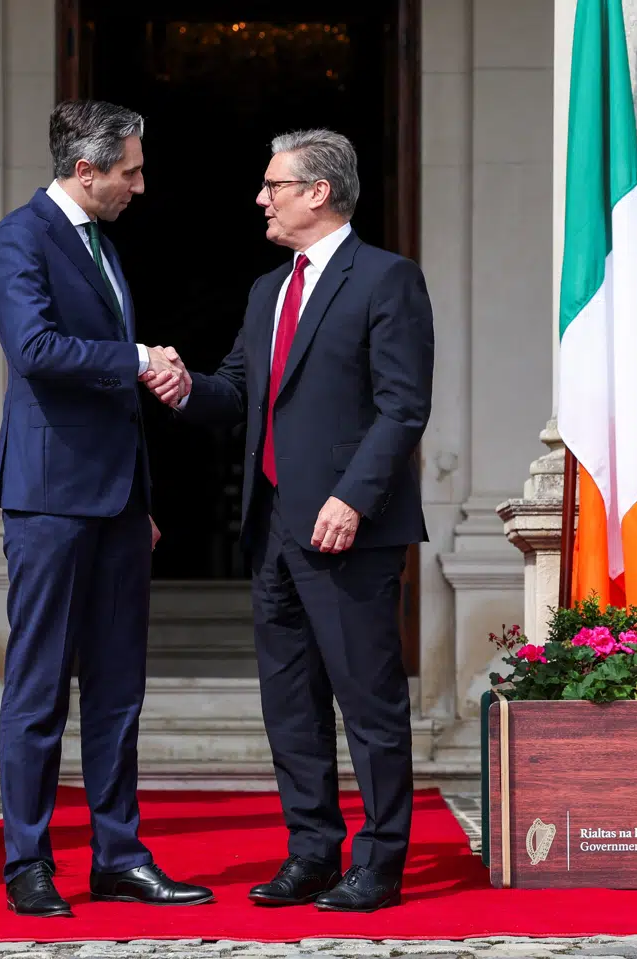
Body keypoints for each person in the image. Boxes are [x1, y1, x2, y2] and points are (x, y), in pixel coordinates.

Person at [146, 129, 434, 911]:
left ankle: (379, 861)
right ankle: (311, 850)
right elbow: (238, 391)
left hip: (351, 529)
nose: (261, 197)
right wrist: (181, 387)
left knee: (368, 703)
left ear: (318, 192)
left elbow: (403, 406)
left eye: (274, 184)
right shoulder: (268, 290)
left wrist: (354, 495)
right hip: (271, 528)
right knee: (291, 706)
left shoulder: (387, 279)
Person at [0, 99, 211, 917]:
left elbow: (115, 400)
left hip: (116, 504)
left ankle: (118, 854)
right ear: (87, 171)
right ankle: (27, 863)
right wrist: (138, 355)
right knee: (39, 686)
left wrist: (139, 501)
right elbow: (34, 350)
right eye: (131, 171)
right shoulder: (21, 237)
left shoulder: (104, 246)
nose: (139, 186)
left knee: (118, 691)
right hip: (49, 499)